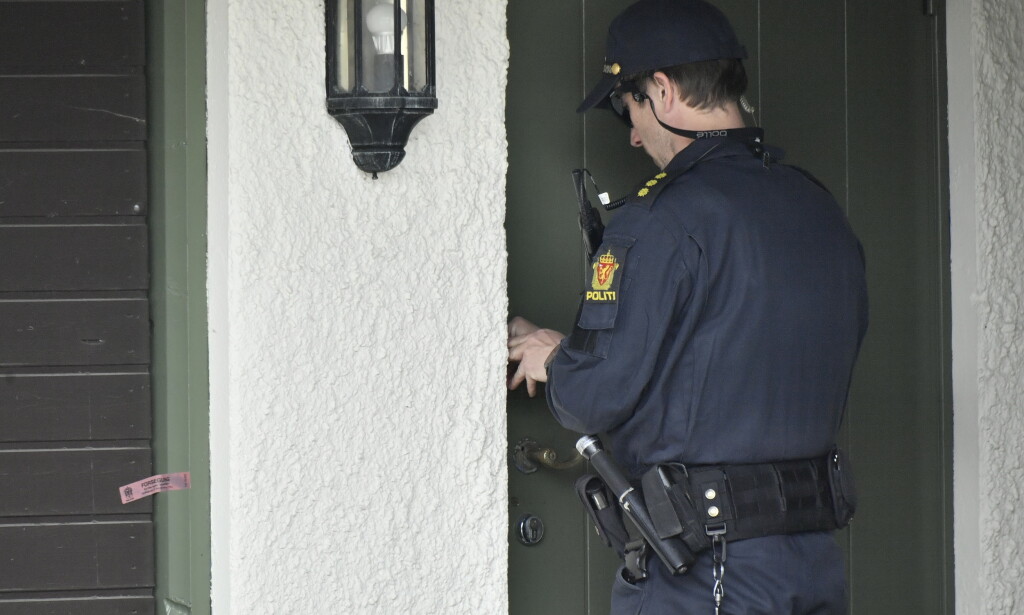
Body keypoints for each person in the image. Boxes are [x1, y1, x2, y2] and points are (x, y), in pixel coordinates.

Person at [507, 0, 868, 613]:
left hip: (708, 575)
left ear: (663, 90)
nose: (630, 131)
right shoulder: (819, 208)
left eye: (628, 106)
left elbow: (596, 395)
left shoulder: (662, 221)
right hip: (811, 566)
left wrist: (555, 359)